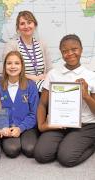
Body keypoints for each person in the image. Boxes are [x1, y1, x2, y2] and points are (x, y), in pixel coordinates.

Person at [34, 34, 95, 167]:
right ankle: (68, 143)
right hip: (59, 123)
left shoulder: (91, 76)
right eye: (65, 51)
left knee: (66, 158)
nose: (70, 54)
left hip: (85, 125)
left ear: (81, 50)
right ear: (61, 53)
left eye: (74, 49)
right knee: (41, 155)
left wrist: (86, 96)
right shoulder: (53, 74)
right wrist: (42, 125)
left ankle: (91, 144)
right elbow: (43, 104)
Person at [0, 51, 39, 158]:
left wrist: (20, 128)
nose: (13, 66)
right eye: (9, 63)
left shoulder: (31, 86)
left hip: (27, 126)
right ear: (5, 66)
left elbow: (34, 113)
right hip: (8, 128)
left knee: (30, 149)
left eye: (16, 63)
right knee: (12, 150)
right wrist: (3, 127)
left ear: (22, 66)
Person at [3, 10, 52, 92]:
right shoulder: (11, 45)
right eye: (22, 24)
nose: (26, 26)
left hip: (43, 85)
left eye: (29, 22)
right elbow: (9, 69)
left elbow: (50, 69)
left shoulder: (42, 44)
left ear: (35, 25)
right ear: (18, 28)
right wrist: (34, 78)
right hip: (22, 86)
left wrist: (44, 77)